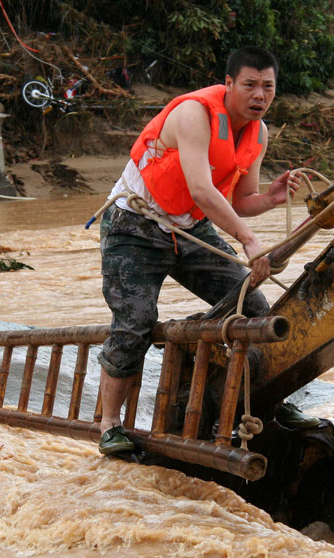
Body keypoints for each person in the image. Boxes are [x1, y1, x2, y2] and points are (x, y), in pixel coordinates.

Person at [95, 45, 321, 456]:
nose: (259, 95)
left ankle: (269, 403)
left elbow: (240, 200)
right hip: (136, 225)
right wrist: (248, 241)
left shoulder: (258, 132)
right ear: (229, 83)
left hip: (190, 229)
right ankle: (109, 424)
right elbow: (201, 189)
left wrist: (270, 199)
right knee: (136, 321)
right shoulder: (194, 114)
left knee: (255, 306)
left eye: (268, 87)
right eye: (249, 85)